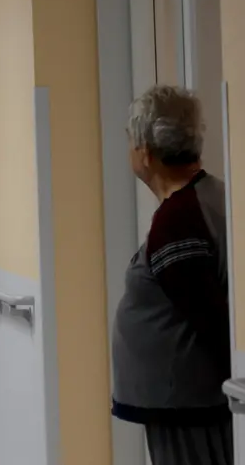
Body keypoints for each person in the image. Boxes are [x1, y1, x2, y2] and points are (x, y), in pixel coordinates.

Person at [111, 85, 232, 465]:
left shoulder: (178, 222)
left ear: (145, 152)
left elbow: (211, 318)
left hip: (188, 410)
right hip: (191, 404)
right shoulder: (210, 196)